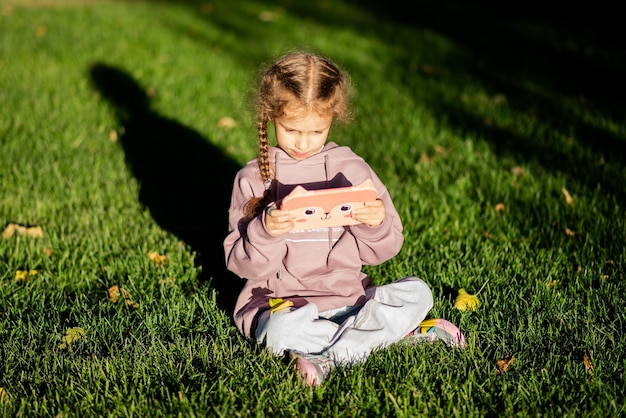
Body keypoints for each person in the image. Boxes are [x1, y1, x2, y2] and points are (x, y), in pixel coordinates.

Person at [223, 51, 465, 386]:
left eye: (317, 131)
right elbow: (242, 267)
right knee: (278, 332)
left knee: (420, 293)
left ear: (333, 118)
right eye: (292, 129)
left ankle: (329, 355)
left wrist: (375, 223)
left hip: (350, 298)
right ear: (270, 115)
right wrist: (265, 230)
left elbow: (385, 250)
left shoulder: (350, 168)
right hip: (285, 305)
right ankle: (384, 338)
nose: (303, 143)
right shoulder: (253, 178)